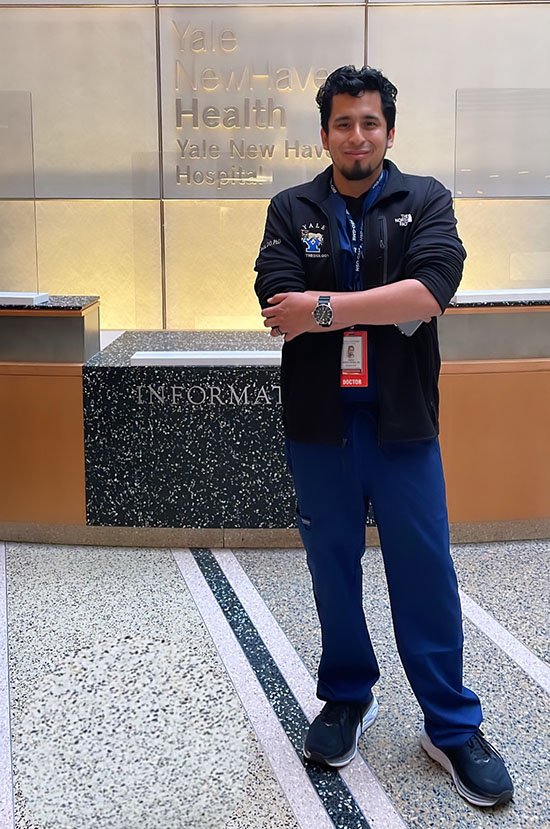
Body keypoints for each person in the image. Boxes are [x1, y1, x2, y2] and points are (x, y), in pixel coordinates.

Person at [254, 65, 513, 807]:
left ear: (388, 131)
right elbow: (278, 302)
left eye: (369, 122)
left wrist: (324, 307)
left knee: (425, 570)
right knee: (331, 568)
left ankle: (451, 725)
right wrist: (371, 305)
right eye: (343, 123)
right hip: (319, 425)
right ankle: (346, 695)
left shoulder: (424, 199)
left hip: (400, 421)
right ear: (326, 132)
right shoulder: (289, 206)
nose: (356, 135)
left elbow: (430, 291)